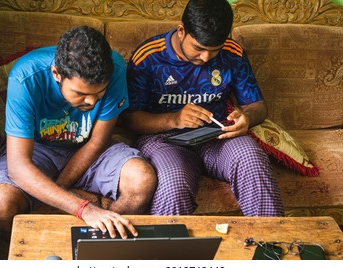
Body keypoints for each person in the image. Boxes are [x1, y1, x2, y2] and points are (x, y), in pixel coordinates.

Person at [0, 25, 157, 241]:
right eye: (81, 94)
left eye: (99, 93)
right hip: (37, 149)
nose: (92, 101)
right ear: (56, 73)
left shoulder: (114, 68)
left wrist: (58, 191)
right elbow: (19, 167)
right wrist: (84, 208)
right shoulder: (24, 77)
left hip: (90, 148)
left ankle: (101, 256)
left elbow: (97, 141)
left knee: (142, 179)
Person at [121, 0, 284, 216]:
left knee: (251, 158)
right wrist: (174, 119)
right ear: (181, 31)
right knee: (172, 181)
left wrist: (246, 117)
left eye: (214, 50)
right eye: (198, 48)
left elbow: (257, 106)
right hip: (164, 139)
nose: (206, 57)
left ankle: (271, 245)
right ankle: (167, 250)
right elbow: (128, 119)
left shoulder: (232, 53)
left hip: (217, 136)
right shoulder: (149, 57)